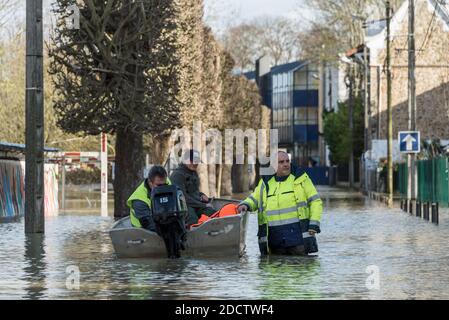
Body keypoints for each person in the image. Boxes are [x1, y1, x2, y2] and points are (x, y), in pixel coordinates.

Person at [237, 151, 323, 256]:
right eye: (281, 162)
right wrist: (245, 205)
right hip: (274, 242)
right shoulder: (266, 183)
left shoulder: (301, 179)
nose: (286, 164)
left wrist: (314, 224)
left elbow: (315, 201)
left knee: (302, 270)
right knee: (274, 270)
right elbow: (254, 198)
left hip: (298, 240)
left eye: (287, 161)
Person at [170, 149, 216, 225]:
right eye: (192, 161)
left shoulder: (193, 173)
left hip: (197, 204)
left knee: (212, 213)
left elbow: (195, 191)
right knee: (192, 218)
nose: (195, 164)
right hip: (184, 205)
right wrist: (203, 205)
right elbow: (182, 198)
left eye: (197, 161)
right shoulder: (177, 175)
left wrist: (201, 195)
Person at [127, 165, 171, 231]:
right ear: (150, 182)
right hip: (142, 231)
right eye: (159, 185)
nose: (162, 188)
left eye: (164, 185)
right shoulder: (139, 200)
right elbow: (149, 225)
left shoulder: (166, 182)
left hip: (162, 221)